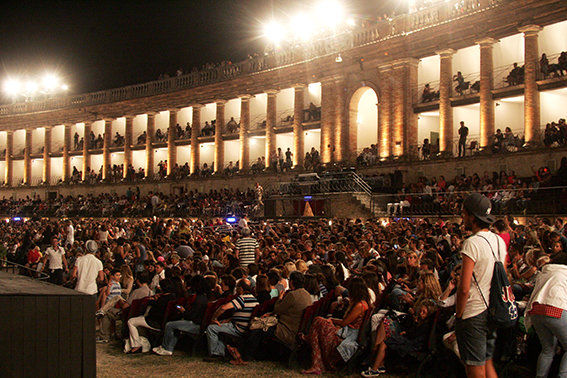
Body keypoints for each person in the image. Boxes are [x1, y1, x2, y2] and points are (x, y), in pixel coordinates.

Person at [456, 193, 506, 378]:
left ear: (471, 216)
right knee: (486, 362)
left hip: (474, 311)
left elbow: (464, 287)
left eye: (463, 213)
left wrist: (459, 316)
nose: (462, 217)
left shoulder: (472, 243)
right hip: (492, 309)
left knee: (474, 367)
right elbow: (502, 275)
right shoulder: (499, 240)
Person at [301, 277, 370, 374]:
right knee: (318, 325)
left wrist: (331, 320)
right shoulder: (361, 303)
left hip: (348, 335)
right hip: (346, 332)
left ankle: (316, 363)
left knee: (318, 321)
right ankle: (316, 364)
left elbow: (344, 322)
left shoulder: (359, 305)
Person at [525, 253, 567, 377]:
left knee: (547, 349)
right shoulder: (564, 273)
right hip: (556, 310)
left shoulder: (545, 272)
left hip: (536, 311)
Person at [153, 275, 211, 356]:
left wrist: (183, 311)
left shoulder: (199, 299)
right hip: (198, 323)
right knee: (174, 325)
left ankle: (166, 347)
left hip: (196, 325)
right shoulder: (204, 297)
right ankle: (169, 347)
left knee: (169, 325)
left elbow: (192, 316)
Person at [205, 279, 259, 360]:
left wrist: (214, 318)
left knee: (211, 328)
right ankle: (220, 352)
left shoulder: (242, 299)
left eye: (237, 288)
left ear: (240, 288)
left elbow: (223, 308)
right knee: (220, 327)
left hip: (238, 328)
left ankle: (215, 354)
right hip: (246, 328)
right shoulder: (254, 300)